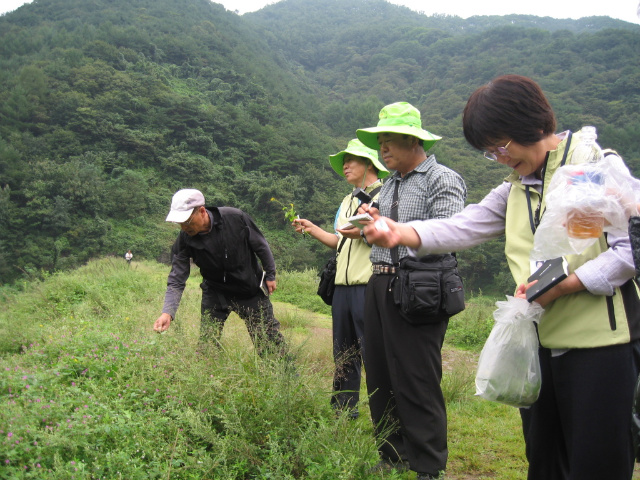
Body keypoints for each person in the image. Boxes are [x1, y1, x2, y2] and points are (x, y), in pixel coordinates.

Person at [362, 75, 640, 480]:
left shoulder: (597, 168)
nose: (500, 158)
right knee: (544, 459)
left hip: (601, 344)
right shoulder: (515, 187)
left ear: (534, 124)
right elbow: (465, 224)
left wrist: (568, 285)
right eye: (490, 152)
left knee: (596, 462)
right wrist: (400, 232)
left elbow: (630, 250)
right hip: (541, 341)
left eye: (501, 146)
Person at [355, 102, 467, 480]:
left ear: (412, 140)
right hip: (380, 281)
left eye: (389, 142)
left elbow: (448, 231)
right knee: (381, 372)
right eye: (381, 143)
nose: (383, 150)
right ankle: (391, 454)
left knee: (417, 377)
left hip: (421, 285)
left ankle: (428, 464)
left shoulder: (442, 179)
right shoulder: (390, 184)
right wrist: (373, 219)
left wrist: (398, 228)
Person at [292, 138, 389, 418]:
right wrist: (312, 229)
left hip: (368, 285)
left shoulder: (384, 196)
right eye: (344, 161)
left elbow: (388, 239)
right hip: (342, 289)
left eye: (352, 160)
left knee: (372, 353)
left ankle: (383, 413)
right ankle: (343, 412)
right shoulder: (347, 200)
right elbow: (339, 241)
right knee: (344, 353)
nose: (345, 166)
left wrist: (364, 231)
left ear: (369, 164)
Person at [153, 189, 288, 357]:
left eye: (187, 221)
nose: (184, 227)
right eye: (180, 223)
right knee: (207, 346)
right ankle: (207, 376)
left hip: (249, 289)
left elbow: (260, 245)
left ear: (201, 211)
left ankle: (285, 377)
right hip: (215, 292)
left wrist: (270, 274)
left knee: (270, 342)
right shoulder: (185, 239)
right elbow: (176, 278)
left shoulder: (235, 218)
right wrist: (168, 312)